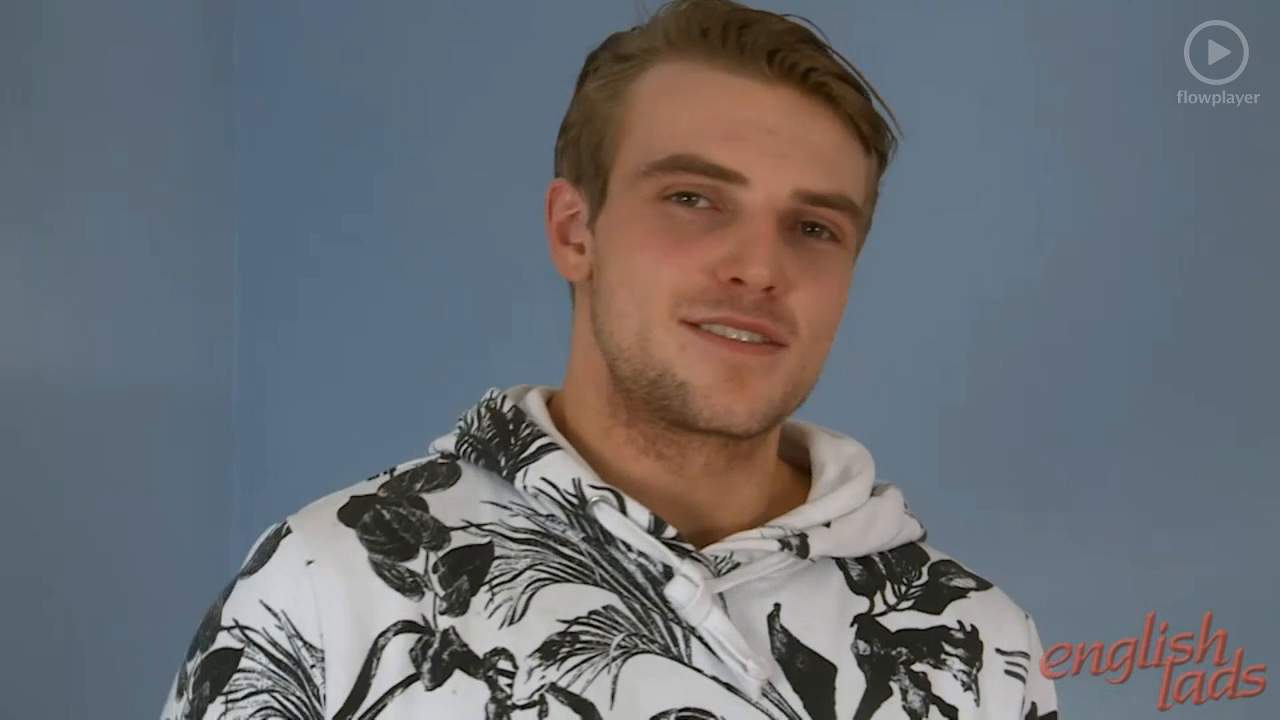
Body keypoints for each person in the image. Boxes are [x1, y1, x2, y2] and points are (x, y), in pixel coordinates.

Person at [161, 1, 1060, 718]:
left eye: (815, 227)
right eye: (694, 198)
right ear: (574, 231)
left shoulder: (975, 643)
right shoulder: (332, 583)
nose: (760, 267)